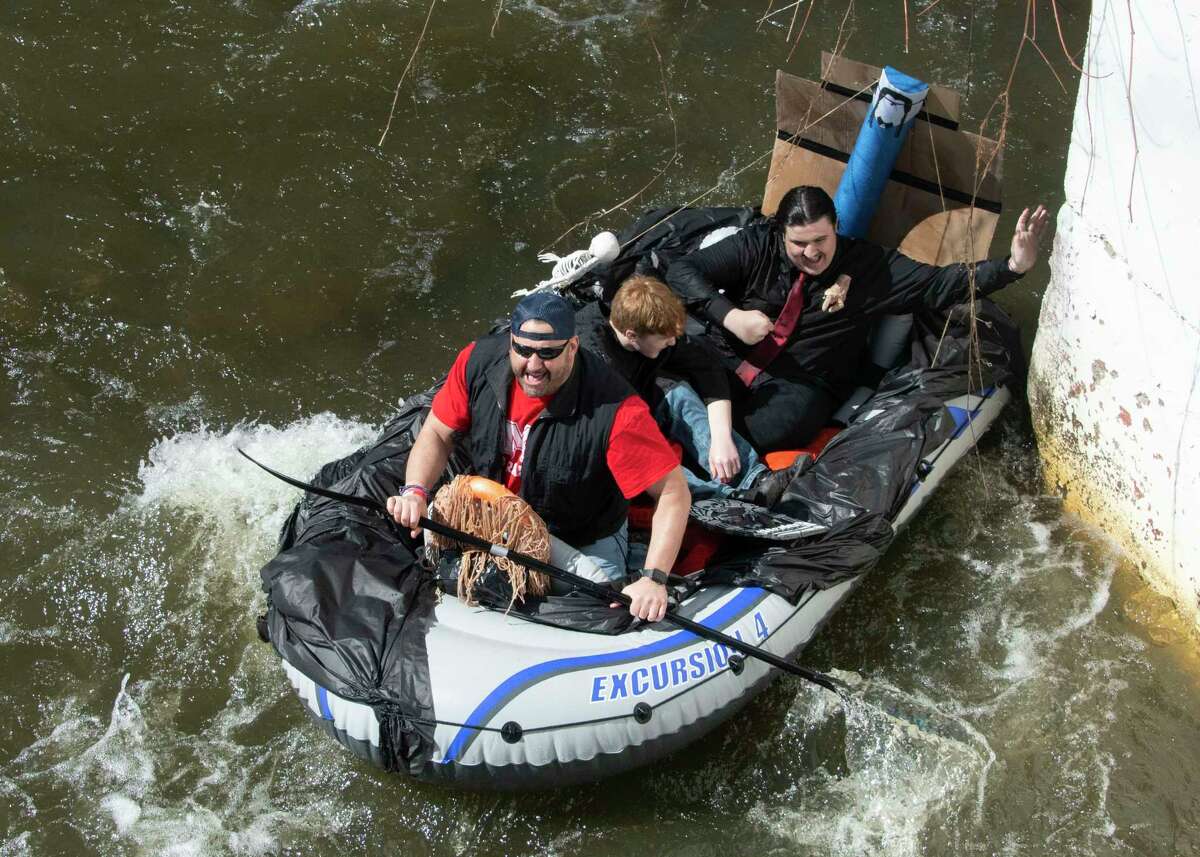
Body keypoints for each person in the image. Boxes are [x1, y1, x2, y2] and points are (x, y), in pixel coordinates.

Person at [666, 185, 1050, 451]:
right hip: (728, 353)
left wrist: (1013, 265)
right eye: (799, 244)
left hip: (802, 382)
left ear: (836, 230)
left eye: (821, 241)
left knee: (760, 433)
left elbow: (940, 284)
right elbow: (681, 271)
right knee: (670, 389)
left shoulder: (872, 268)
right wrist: (729, 315)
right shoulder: (756, 244)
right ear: (780, 234)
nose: (812, 253)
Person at [387, 290, 690, 623]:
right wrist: (415, 490)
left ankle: (636, 557)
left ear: (572, 347)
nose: (532, 366)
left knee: (604, 608)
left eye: (548, 353)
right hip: (497, 517)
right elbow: (436, 433)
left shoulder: (617, 411)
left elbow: (673, 492)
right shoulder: (477, 361)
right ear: (511, 341)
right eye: (522, 350)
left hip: (580, 536)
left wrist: (654, 578)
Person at [574, 274, 799, 506]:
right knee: (644, 459)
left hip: (644, 394)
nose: (672, 343)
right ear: (631, 335)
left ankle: (754, 478)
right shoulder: (593, 366)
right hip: (609, 425)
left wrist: (721, 438)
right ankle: (728, 499)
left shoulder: (651, 326)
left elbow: (707, 369)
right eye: (665, 339)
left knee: (677, 393)